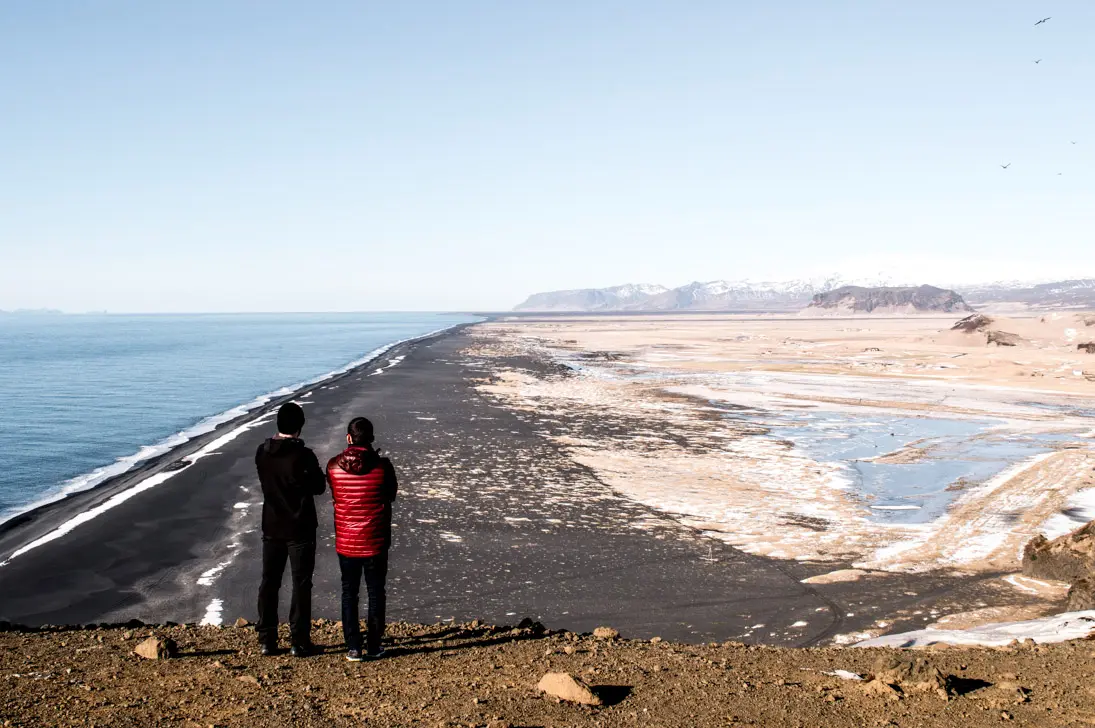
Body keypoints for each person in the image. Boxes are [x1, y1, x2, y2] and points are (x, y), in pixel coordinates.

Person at [254, 402, 326, 657]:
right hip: (300, 526)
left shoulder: (263, 452)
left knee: (269, 582)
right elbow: (319, 486)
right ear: (299, 426)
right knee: (301, 583)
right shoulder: (303, 455)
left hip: (272, 524)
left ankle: (267, 639)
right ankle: (299, 640)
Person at [326, 416, 398, 661]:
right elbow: (391, 495)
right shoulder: (382, 467)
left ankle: (353, 646)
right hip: (375, 539)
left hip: (347, 540)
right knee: (376, 592)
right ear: (371, 439)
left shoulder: (333, 466)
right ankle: (374, 644)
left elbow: (335, 494)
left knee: (349, 592)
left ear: (349, 438)